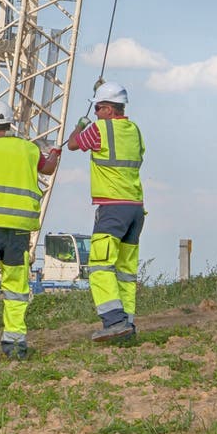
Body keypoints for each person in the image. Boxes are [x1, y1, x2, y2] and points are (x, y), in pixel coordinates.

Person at [0, 100, 60, 364]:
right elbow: (48, 168)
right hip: (18, 230)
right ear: (8, 125)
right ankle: (16, 346)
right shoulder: (29, 149)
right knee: (17, 288)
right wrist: (54, 154)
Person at [67, 81, 145, 343]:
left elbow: (73, 144)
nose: (96, 112)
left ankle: (113, 321)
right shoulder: (134, 130)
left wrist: (80, 123)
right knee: (124, 270)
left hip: (112, 207)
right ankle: (127, 324)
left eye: (98, 108)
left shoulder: (99, 129)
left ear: (109, 109)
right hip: (135, 208)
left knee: (100, 266)